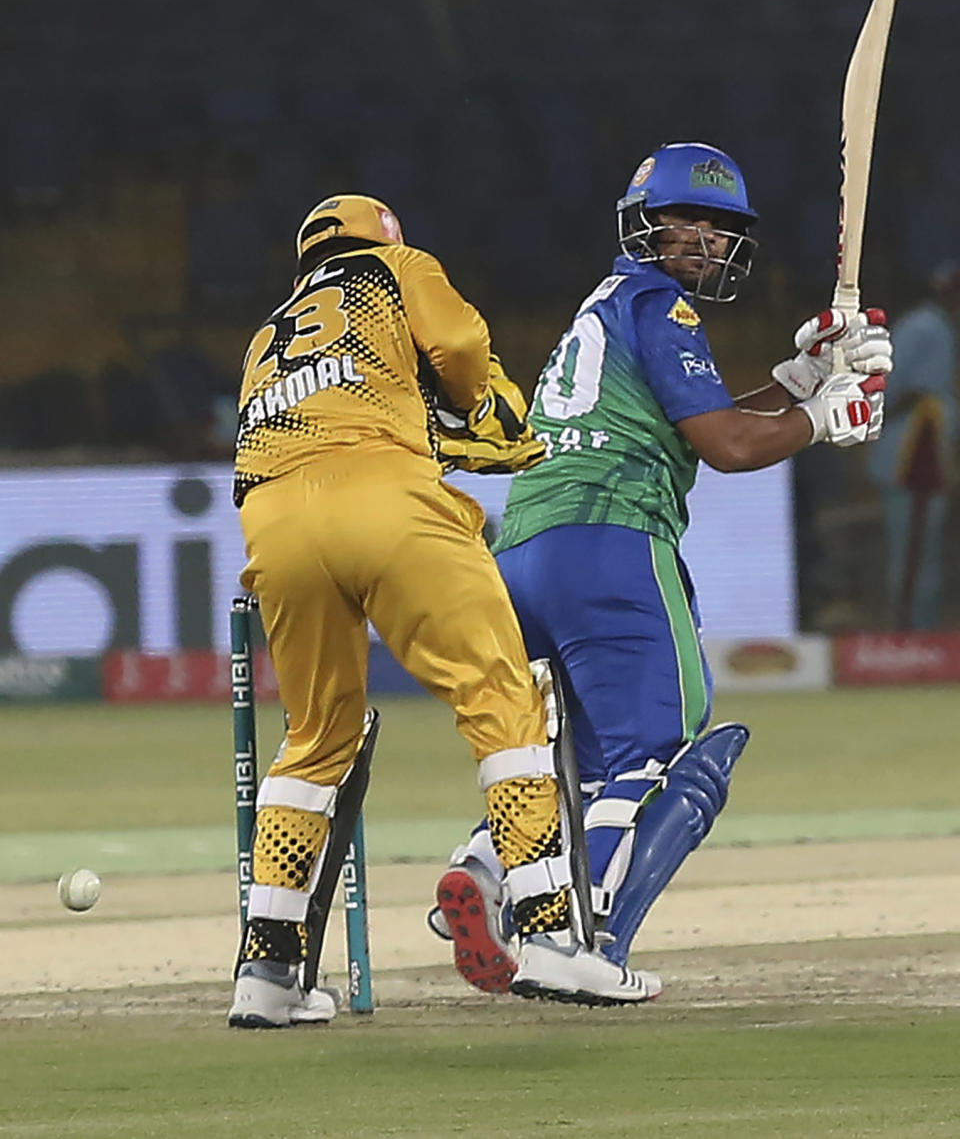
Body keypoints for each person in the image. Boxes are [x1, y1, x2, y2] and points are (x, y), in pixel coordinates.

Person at [428, 142, 893, 989]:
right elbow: (726, 447)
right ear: (644, 224)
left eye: (719, 227)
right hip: (606, 542)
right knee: (658, 753)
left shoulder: (605, 306)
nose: (704, 238)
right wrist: (830, 420)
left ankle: (485, 869)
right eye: (687, 219)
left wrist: (803, 382)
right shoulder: (661, 306)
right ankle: (582, 945)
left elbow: (706, 417)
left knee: (565, 760)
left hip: (522, 551)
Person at [227, 193, 662, 1027]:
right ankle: (549, 937)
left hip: (274, 526)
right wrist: (474, 402)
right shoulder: (397, 269)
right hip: (385, 500)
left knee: (316, 738)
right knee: (503, 699)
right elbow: (459, 346)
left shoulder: (266, 334)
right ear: (384, 238)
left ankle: (268, 973)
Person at [867, 260, 959, 628]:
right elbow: (897, 388)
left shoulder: (937, 327)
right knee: (914, 555)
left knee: (921, 553)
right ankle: (909, 644)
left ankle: (918, 634)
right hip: (914, 455)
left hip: (923, 451)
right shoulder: (928, 328)